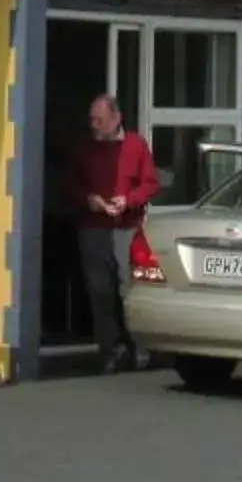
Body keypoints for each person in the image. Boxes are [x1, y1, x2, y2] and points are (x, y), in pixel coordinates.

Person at [74, 94, 159, 373]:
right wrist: (89, 199)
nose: (94, 125)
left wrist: (129, 200)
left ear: (116, 119)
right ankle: (109, 352)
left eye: (99, 120)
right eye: (92, 119)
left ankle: (140, 348)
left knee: (129, 289)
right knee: (100, 293)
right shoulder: (86, 148)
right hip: (94, 228)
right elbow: (69, 183)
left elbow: (150, 184)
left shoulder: (135, 145)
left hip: (126, 227)